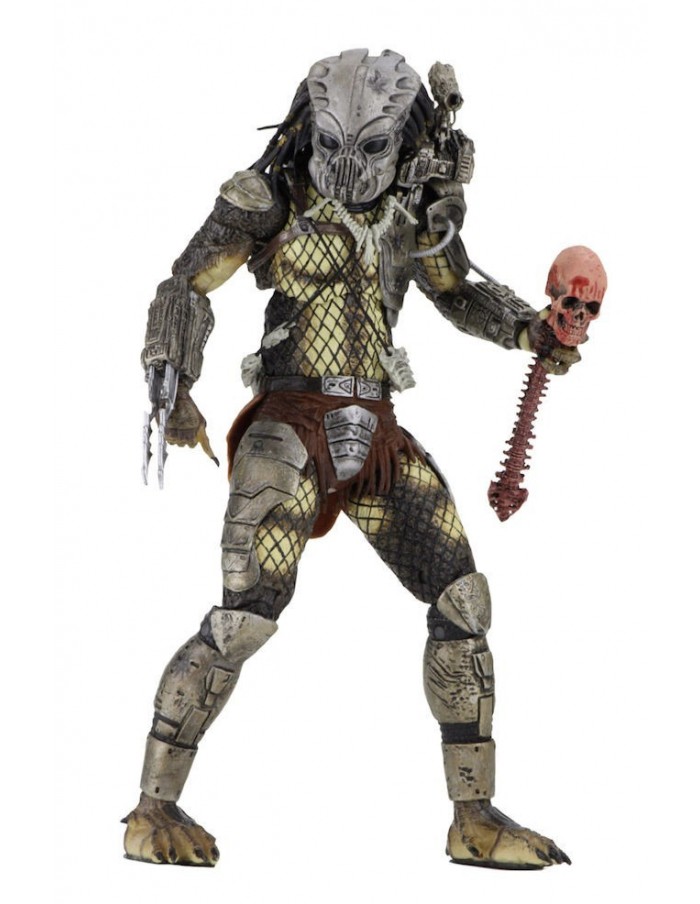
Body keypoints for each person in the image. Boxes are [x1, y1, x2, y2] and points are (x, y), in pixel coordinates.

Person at [124, 48, 578, 869]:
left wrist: (529, 330)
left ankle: (473, 819)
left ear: (400, 140)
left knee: (461, 601)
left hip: (375, 434)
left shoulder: (414, 212)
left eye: (369, 147)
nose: (345, 165)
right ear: (311, 129)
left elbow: (455, 291)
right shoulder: (270, 198)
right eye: (331, 142)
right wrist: (174, 383)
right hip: (287, 431)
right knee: (243, 616)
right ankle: (152, 809)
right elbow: (186, 284)